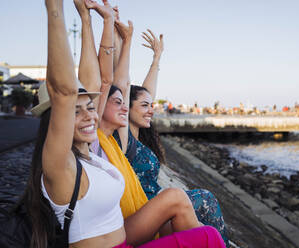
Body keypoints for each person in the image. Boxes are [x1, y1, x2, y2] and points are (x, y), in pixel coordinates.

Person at [22, 0, 225, 247]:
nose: (89, 115)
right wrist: (55, 8)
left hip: (125, 239)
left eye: (90, 107)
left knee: (195, 221)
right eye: (76, 111)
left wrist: (93, 20)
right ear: (58, 120)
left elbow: (107, 81)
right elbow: (69, 91)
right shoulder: (61, 164)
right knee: (208, 236)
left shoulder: (94, 151)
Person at [110, 19, 229, 247]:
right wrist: (121, 42)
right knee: (205, 200)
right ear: (126, 107)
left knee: (203, 204)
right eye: (144, 106)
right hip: (145, 211)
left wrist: (156, 58)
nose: (150, 110)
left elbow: (146, 93)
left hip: (155, 207)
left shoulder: (137, 138)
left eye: (151, 105)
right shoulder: (123, 140)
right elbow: (122, 86)